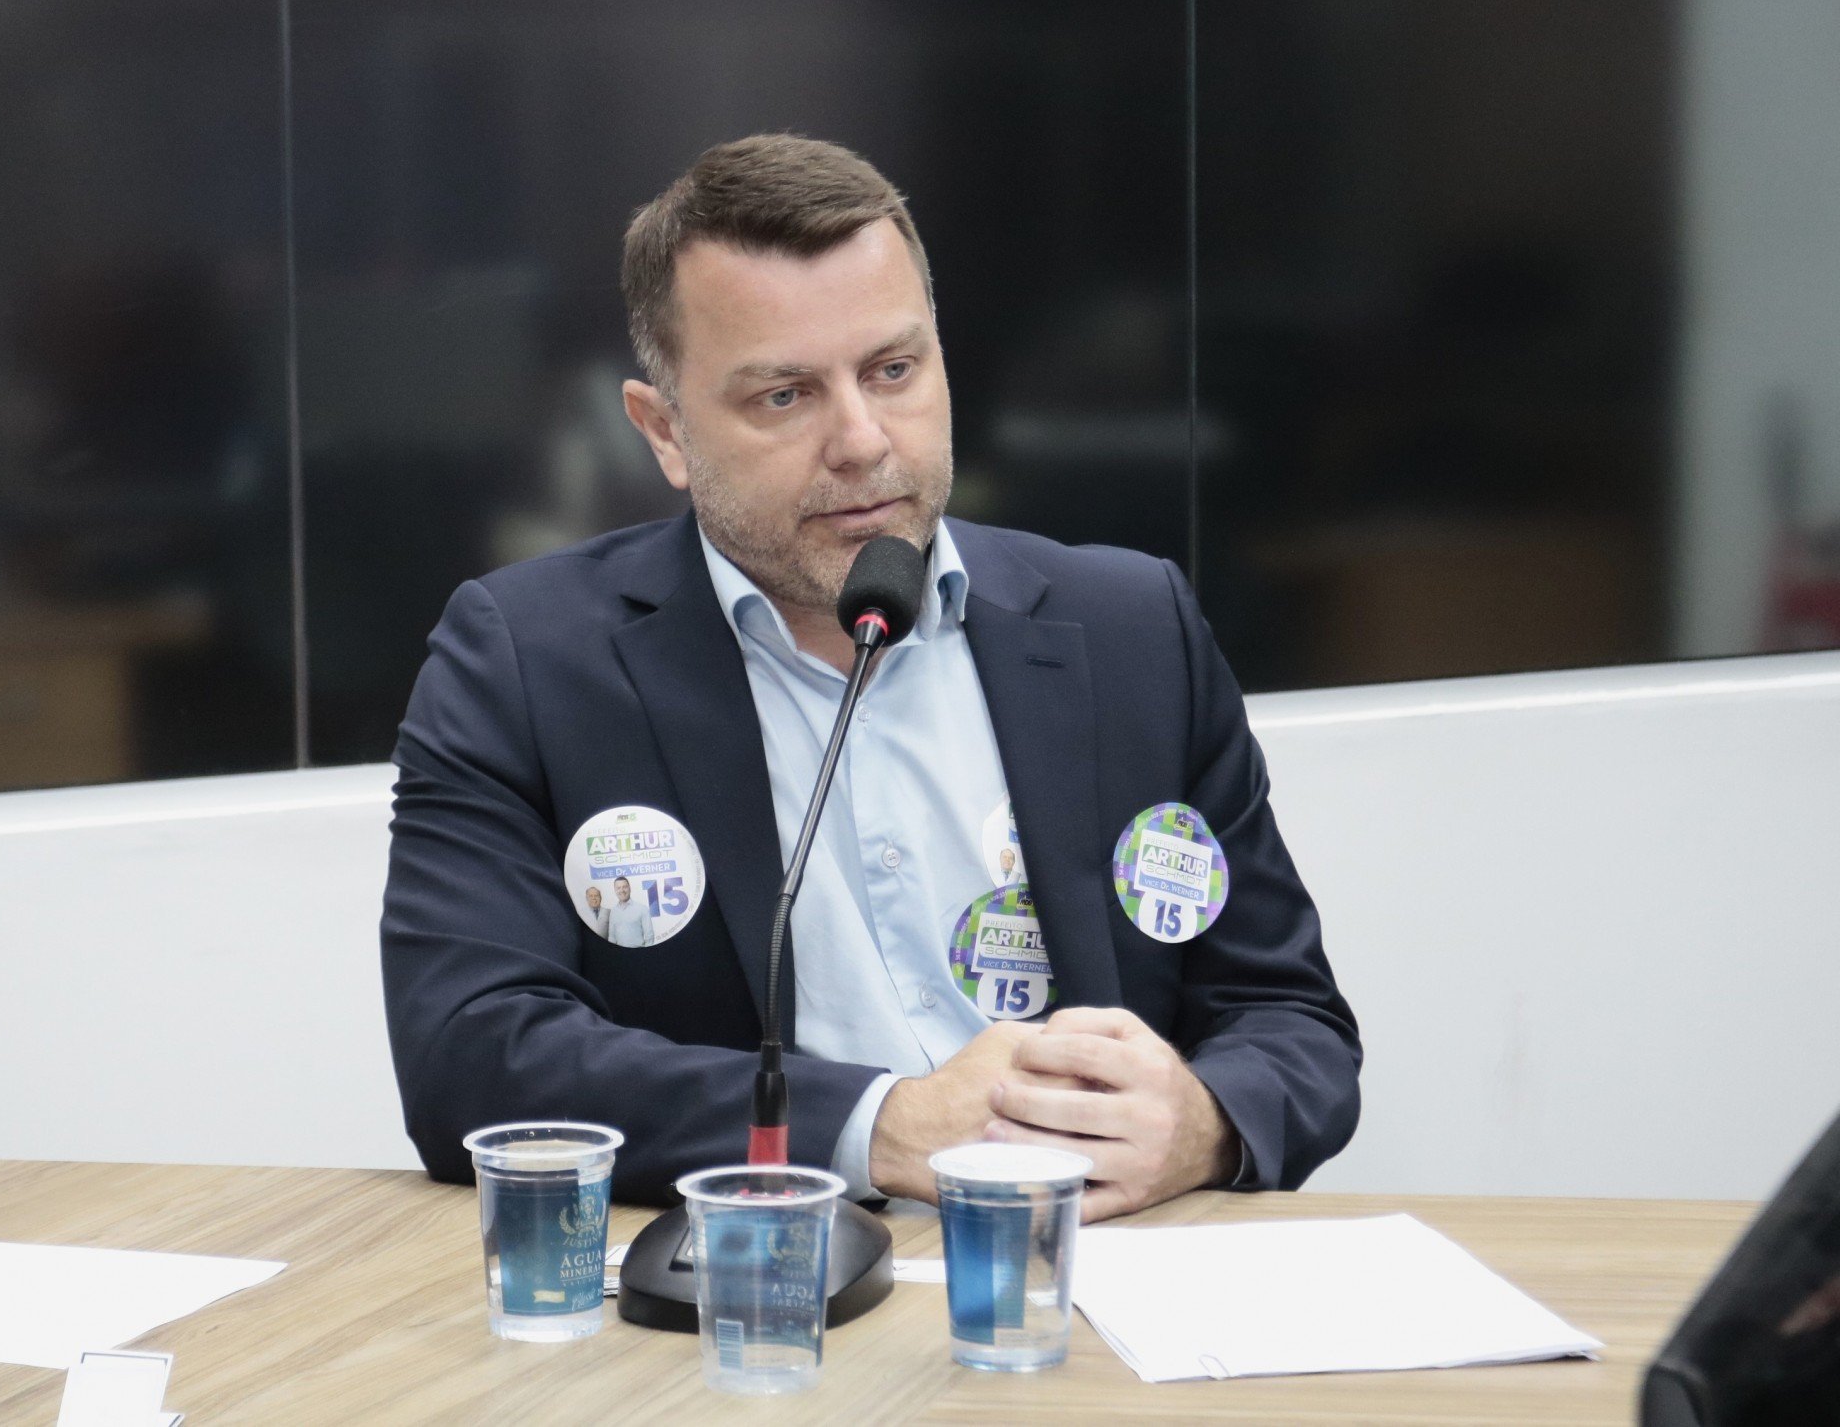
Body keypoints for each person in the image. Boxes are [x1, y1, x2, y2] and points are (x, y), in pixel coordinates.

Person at [382, 134, 1361, 1217]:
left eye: (893, 372)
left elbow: (1292, 1023)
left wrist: (1201, 1122)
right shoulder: (525, 662)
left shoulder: (1129, 631)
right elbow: (472, 1057)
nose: (860, 441)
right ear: (664, 432)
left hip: (1086, 1275)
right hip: (763, 1296)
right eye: (784, 397)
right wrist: (879, 1127)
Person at [605, 877, 654, 948]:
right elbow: (612, 937)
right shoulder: (613, 911)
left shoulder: (642, 909)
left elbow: (649, 935)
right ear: (615, 890)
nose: (621, 890)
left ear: (630, 888)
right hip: (620, 955)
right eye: (618, 888)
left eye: (624, 887)